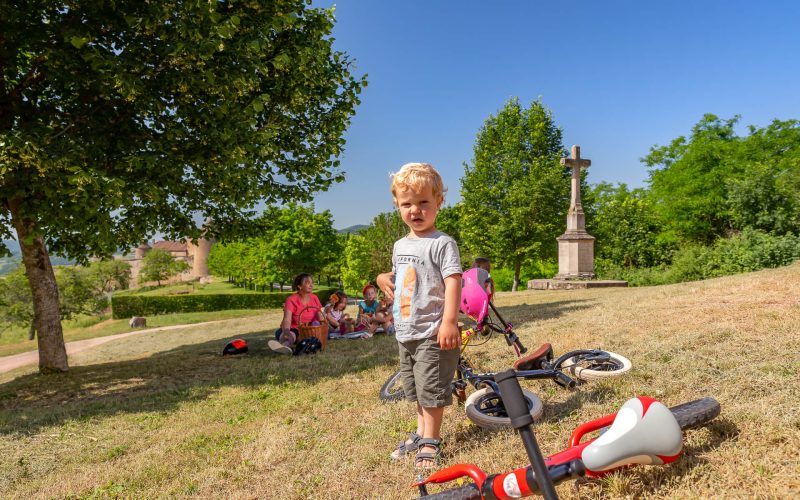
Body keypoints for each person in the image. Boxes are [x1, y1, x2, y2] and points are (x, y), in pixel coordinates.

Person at [376, 162, 462, 469]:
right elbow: (405, 274)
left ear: (439, 202)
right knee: (416, 389)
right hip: (406, 331)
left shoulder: (442, 243)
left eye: (424, 202)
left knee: (432, 389)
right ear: (397, 206)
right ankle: (421, 432)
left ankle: (432, 440)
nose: (415, 210)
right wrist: (382, 277)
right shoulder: (400, 245)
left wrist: (449, 322)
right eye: (407, 204)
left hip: (432, 330)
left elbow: (453, 280)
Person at [269, 273, 326, 354]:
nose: (311, 285)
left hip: (311, 329)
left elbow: (320, 317)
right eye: (307, 282)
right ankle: (285, 346)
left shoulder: (315, 298)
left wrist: (324, 327)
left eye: (311, 282)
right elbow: (287, 319)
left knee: (310, 334)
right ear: (299, 286)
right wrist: (286, 331)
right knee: (291, 333)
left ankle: (285, 343)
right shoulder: (291, 300)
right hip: (295, 328)